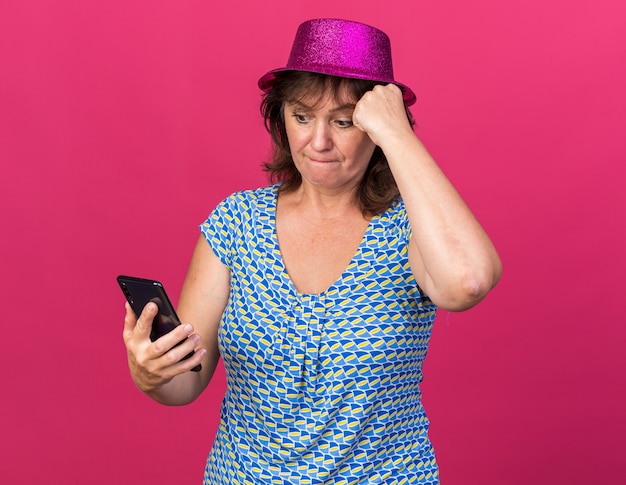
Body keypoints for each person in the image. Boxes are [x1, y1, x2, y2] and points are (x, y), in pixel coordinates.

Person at [122, 18, 502, 484]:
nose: (318, 142)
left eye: (343, 122)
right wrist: (151, 372)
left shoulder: (412, 226)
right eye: (302, 116)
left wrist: (399, 136)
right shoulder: (236, 223)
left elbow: (468, 281)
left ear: (376, 127)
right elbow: (186, 383)